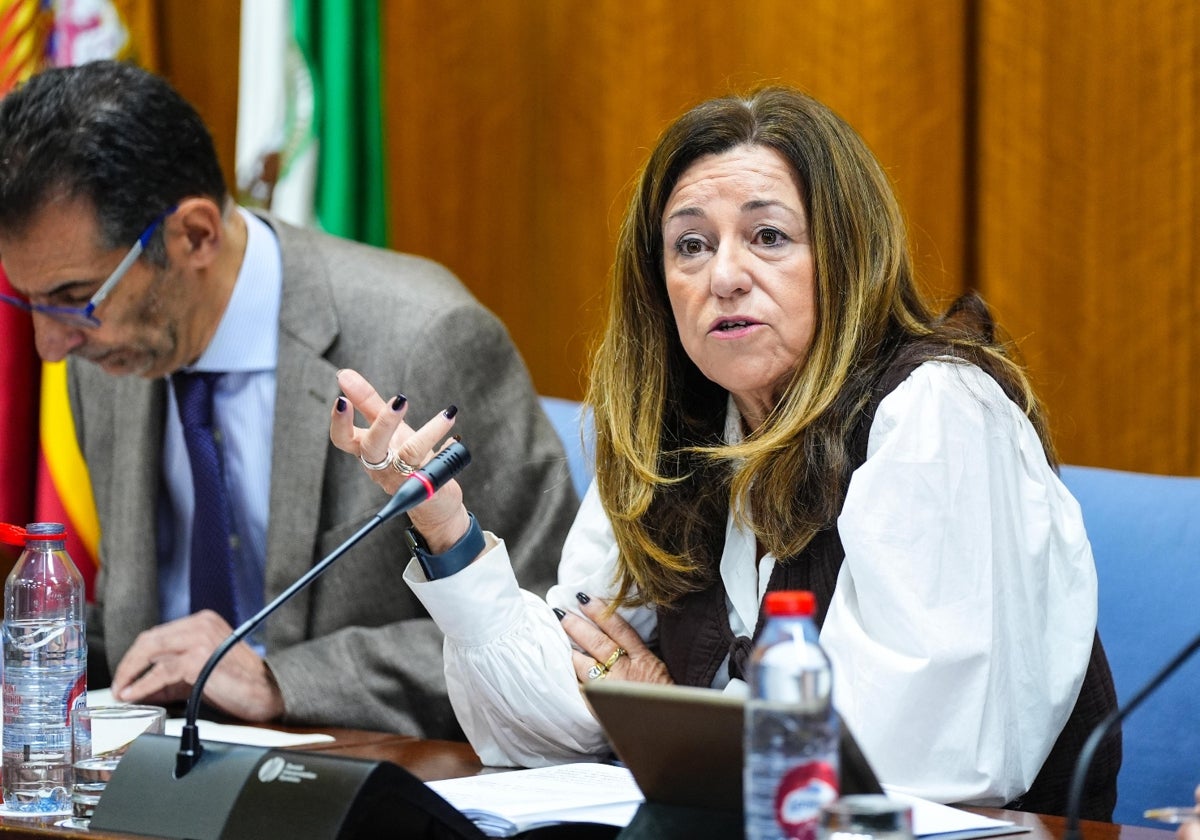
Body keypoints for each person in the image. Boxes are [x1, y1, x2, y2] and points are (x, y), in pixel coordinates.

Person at [331, 87, 1120, 817]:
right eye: (691, 246)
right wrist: (449, 532)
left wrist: (672, 713)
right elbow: (545, 724)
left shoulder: (937, 414)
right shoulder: (677, 438)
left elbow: (902, 756)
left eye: (768, 237)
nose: (726, 275)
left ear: (846, 256)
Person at [0, 60, 579, 738]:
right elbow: (134, 631)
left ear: (194, 235)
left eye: (72, 300)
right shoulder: (110, 347)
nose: (49, 345)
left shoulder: (424, 340)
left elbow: (545, 622)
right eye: (26, 301)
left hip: (360, 780)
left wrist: (283, 680)